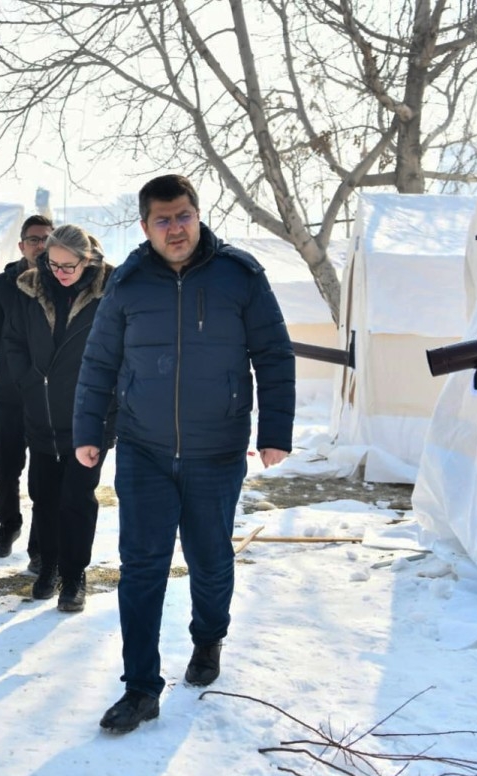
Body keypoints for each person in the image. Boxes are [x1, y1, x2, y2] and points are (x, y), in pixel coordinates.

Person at [73, 174, 294, 733]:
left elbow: (273, 353)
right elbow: (99, 363)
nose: (176, 228)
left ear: (198, 214)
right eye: (163, 220)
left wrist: (276, 430)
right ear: (145, 226)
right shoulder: (126, 284)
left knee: (210, 558)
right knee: (141, 568)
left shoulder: (238, 276)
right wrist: (87, 430)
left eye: (183, 215)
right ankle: (141, 686)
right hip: (144, 449)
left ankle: (208, 637)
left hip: (216, 449)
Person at [2, 224, 114, 612]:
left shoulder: (107, 294)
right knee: (44, 497)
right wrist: (29, 379)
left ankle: (74, 574)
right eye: (55, 264)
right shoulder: (31, 290)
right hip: (41, 412)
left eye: (70, 265)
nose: (62, 272)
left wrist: (108, 417)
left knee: (77, 499)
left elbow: (120, 355)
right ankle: (48, 566)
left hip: (88, 418)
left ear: (88, 260)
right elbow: (12, 341)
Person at [0, 214, 53, 567]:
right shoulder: (2, 285)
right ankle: (8, 524)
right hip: (9, 396)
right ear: (22, 245)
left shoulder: (63, 283)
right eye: (34, 239)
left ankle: (39, 548)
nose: (40, 245)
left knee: (44, 475)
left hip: (48, 400)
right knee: (4, 469)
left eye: (46, 239)